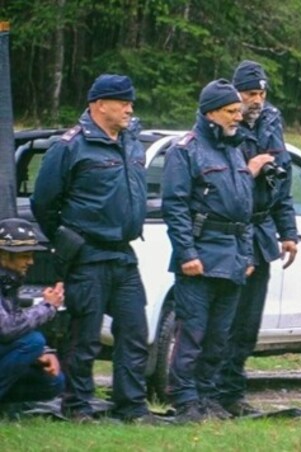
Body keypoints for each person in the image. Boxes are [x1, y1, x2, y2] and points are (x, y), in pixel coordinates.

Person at [31, 74, 154, 423]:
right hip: (88, 254)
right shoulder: (70, 146)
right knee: (84, 337)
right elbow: (44, 202)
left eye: (131, 102)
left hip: (123, 253)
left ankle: (131, 407)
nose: (130, 108)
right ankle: (78, 406)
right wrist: (68, 240)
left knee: (134, 333)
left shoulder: (130, 142)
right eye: (122, 102)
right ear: (99, 104)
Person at [161, 79, 255, 423]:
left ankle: (208, 397)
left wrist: (247, 255)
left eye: (238, 111)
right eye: (231, 111)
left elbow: (245, 209)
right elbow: (176, 207)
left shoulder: (234, 148)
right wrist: (186, 253)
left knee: (219, 337)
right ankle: (185, 400)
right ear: (211, 112)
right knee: (193, 334)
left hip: (231, 257)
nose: (237, 117)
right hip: (200, 255)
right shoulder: (185, 150)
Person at [215, 61, 299, 417]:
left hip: (262, 231)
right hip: (230, 232)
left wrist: (289, 232)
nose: (257, 101)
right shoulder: (220, 125)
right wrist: (246, 173)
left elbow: (282, 181)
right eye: (250, 94)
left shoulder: (270, 121)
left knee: (248, 325)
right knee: (224, 321)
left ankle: (232, 392)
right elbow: (216, 184)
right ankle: (210, 392)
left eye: (262, 94)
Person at [0, 218, 65, 406]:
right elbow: (6, 328)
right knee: (33, 341)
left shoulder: (9, 280)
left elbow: (13, 320)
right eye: (24, 256)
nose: (30, 262)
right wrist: (48, 307)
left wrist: (45, 353)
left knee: (54, 382)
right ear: (4, 255)